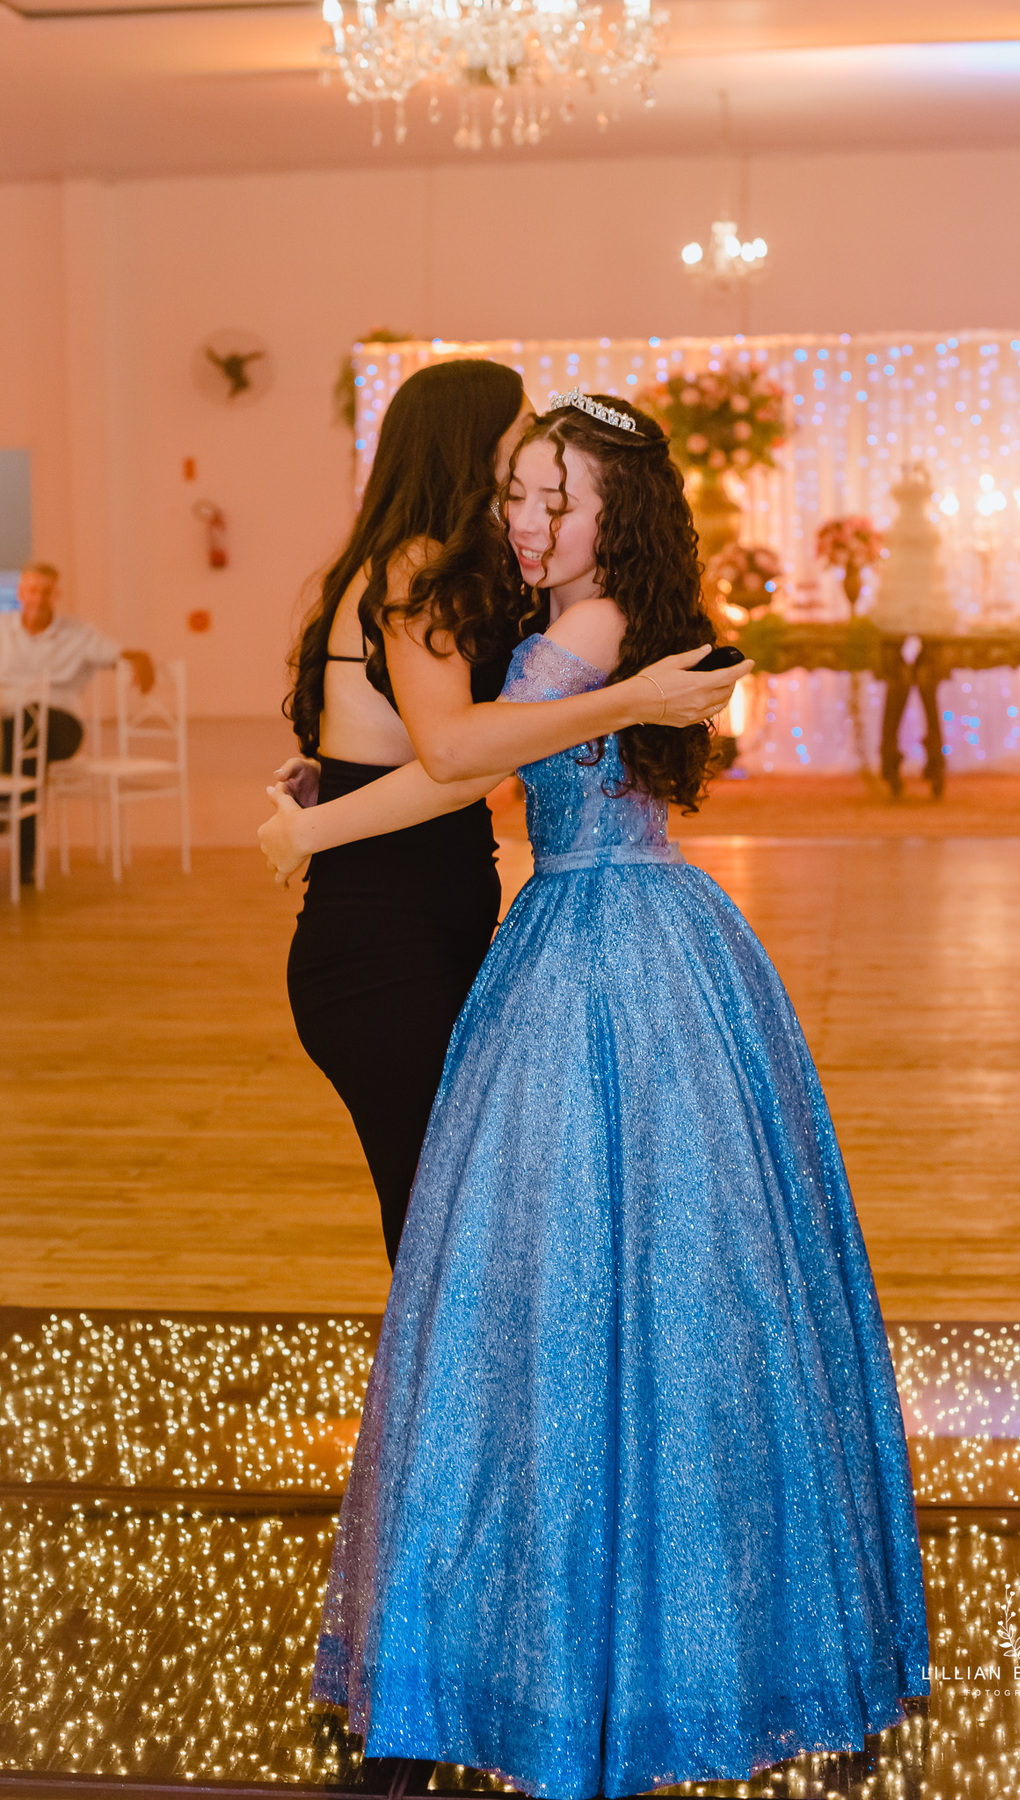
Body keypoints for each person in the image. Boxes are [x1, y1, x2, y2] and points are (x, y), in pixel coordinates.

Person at [308, 393, 928, 1798]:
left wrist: (316, 817)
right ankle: (699, 1634)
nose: (523, 523)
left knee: (554, 1289)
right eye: (517, 494)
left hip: (596, 956)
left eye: (553, 501)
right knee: (676, 1288)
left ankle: (564, 1654)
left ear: (613, 518)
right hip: (624, 934)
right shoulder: (599, 629)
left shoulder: (582, 634)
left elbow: (458, 759)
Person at [270, 362, 744, 1267]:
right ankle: (455, 1408)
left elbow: (452, 740)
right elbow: (456, 753)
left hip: (474, 929)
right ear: (470, 449)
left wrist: (329, 792)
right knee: (452, 1231)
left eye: (553, 495)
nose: (524, 498)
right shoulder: (419, 567)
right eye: (513, 465)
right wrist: (318, 817)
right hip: (390, 944)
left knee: (474, 1218)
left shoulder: (491, 588)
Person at [0, 562, 154, 882]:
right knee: (25, 750)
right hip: (12, 729)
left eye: (45, 591)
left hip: (60, 725)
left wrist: (140, 657)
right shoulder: (3, 630)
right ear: (20, 593)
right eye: (31, 590)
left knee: (28, 730)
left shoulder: (77, 633)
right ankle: (24, 860)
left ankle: (7, 812)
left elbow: (119, 656)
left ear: (56, 594)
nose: (38, 599)